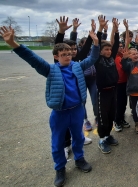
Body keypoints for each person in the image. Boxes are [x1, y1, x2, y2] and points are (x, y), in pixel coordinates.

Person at [0, 26, 99, 187]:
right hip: (59, 113)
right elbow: (32, 58)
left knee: (79, 137)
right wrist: (13, 43)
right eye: (63, 54)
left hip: (77, 110)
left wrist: (95, 42)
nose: (68, 56)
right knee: (58, 141)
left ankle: (79, 159)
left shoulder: (77, 66)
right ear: (56, 57)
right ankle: (60, 169)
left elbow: (93, 58)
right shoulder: (50, 70)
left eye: (69, 53)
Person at [54, 16, 93, 160]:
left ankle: (80, 139)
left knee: (78, 122)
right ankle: (65, 146)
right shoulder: (58, 63)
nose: (71, 53)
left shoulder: (76, 60)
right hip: (64, 102)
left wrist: (95, 34)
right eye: (67, 51)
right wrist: (62, 31)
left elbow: (88, 48)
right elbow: (58, 46)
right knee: (64, 127)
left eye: (73, 50)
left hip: (77, 98)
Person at [94, 15, 120, 154]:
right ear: (100, 51)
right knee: (103, 117)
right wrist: (100, 28)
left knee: (111, 115)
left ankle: (108, 135)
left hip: (113, 91)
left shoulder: (111, 58)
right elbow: (96, 44)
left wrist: (116, 29)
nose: (109, 51)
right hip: (102, 93)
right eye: (106, 50)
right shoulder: (98, 60)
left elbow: (115, 44)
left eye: (110, 50)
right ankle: (101, 139)